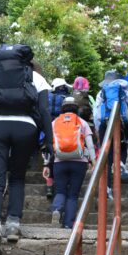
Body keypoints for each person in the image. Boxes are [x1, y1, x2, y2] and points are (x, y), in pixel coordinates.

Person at [0, 44, 53, 255]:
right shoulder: (36, 78)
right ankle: (13, 223)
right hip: (26, 127)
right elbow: (44, 111)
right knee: (17, 178)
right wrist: (49, 142)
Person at [47, 97, 95, 229]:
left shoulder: (55, 122)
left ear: (62, 108)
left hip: (59, 161)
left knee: (60, 190)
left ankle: (57, 209)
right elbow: (90, 145)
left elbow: (49, 143)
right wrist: (93, 161)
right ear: (76, 108)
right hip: (79, 162)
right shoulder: (82, 122)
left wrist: (47, 163)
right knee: (73, 194)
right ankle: (68, 224)